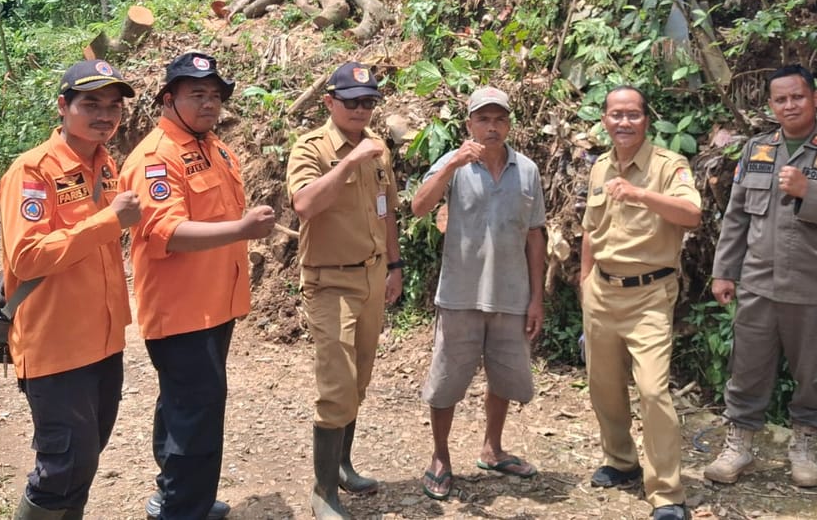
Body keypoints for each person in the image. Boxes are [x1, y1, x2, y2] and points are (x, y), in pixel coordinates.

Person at [119, 52, 276, 520]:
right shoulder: (154, 158)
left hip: (215, 306)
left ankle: (175, 495)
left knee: (182, 405)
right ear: (169, 99)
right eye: (196, 94)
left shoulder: (216, 148)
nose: (210, 104)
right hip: (182, 311)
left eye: (215, 95)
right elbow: (168, 232)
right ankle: (184, 508)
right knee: (197, 417)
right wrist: (243, 230)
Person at [705, 65, 817, 487]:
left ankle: (804, 446)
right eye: (781, 99)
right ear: (771, 105)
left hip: (815, 289)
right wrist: (725, 271)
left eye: (797, 96)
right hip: (759, 284)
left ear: (814, 98)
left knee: (813, 374)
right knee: (747, 368)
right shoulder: (757, 149)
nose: (790, 105)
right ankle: (739, 444)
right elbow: (736, 216)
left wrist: (808, 192)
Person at [0, 59, 139, 520]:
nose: (104, 115)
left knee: (86, 460)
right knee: (61, 465)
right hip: (56, 346)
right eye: (90, 104)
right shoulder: (33, 171)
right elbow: (27, 257)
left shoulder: (105, 163)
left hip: (102, 342)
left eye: (113, 106)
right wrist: (109, 220)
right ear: (63, 106)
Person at [411, 86, 547, 501]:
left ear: (508, 124)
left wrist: (537, 297)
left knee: (504, 377)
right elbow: (418, 207)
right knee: (448, 380)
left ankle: (493, 448)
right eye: (483, 119)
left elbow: (536, 235)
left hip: (511, 294)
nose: (492, 127)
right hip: (460, 294)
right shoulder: (454, 166)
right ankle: (440, 458)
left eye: (499, 119)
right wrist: (452, 162)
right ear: (469, 124)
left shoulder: (527, 170)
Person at [286, 62, 403, 520]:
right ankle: (322, 491)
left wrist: (394, 266)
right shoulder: (311, 148)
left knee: (358, 379)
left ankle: (342, 466)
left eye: (369, 101)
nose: (361, 109)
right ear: (329, 102)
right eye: (352, 101)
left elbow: (386, 212)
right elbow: (304, 205)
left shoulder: (378, 150)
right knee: (336, 386)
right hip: (329, 279)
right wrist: (350, 161)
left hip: (372, 276)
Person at [579, 86, 701, 520]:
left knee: (652, 390)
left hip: (650, 294)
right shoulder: (600, 167)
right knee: (604, 386)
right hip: (602, 291)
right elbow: (591, 230)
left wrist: (642, 195)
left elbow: (692, 214)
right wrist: (583, 283)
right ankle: (621, 460)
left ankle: (667, 493)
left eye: (632, 114)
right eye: (616, 115)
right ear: (605, 120)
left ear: (646, 119)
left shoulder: (670, 166)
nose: (624, 122)